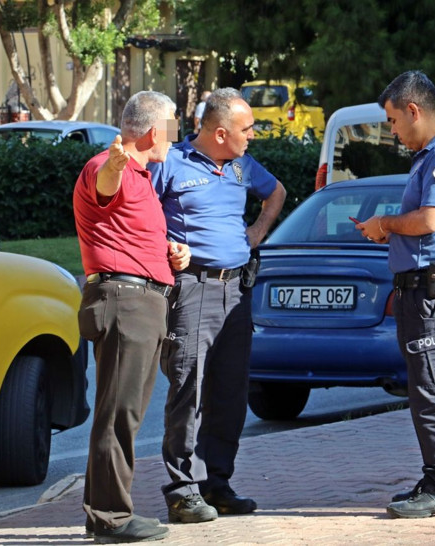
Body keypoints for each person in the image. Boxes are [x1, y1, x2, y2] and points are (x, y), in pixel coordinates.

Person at [149, 88, 287, 523]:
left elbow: (277, 192)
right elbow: (140, 215)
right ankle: (182, 488)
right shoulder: (171, 162)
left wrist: (258, 231)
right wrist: (167, 247)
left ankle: (217, 483)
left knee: (229, 393)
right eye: (247, 129)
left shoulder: (243, 166)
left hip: (237, 292)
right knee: (188, 389)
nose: (253, 136)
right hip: (192, 290)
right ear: (221, 132)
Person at [355, 71, 435, 519]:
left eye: (392, 120)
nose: (391, 130)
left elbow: (430, 221)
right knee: (431, 390)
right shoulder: (429, 157)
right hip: (421, 293)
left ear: (414, 110)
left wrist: (386, 224)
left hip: (434, 294)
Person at [74, 90, 191, 544]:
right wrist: (115, 166)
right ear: (154, 131)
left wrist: (169, 253)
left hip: (141, 299)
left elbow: (124, 233)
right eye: (174, 127)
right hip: (125, 301)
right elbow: (104, 185)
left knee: (124, 412)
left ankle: (103, 514)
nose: (176, 137)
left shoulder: (143, 176)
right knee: (118, 413)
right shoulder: (109, 166)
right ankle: (110, 517)